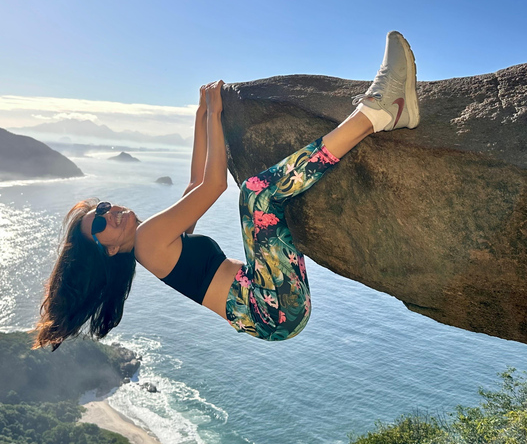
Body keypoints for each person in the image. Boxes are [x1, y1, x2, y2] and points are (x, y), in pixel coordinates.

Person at [33, 31, 419, 350]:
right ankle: (379, 112)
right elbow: (215, 185)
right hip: (271, 309)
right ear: (110, 250)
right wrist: (216, 116)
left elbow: (194, 187)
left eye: (101, 207)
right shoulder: (148, 242)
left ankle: (380, 113)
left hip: (271, 307)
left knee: (261, 197)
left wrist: (202, 117)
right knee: (258, 196)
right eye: (99, 226)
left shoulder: (152, 244)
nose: (108, 213)